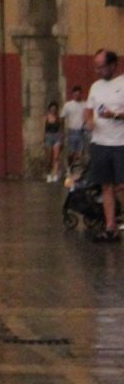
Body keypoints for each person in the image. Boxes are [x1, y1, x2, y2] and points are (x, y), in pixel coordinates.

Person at [85, 49, 124, 242]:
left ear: (112, 66)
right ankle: (111, 226)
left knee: (121, 186)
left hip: (120, 143)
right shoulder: (95, 87)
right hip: (100, 143)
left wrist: (115, 115)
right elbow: (88, 110)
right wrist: (89, 121)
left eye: (101, 67)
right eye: (96, 67)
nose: (98, 71)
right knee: (106, 186)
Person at [65, 85, 89, 176]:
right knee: (71, 153)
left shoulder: (85, 104)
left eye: (78, 94)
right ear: (72, 95)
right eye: (75, 94)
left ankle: (79, 171)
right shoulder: (68, 105)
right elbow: (63, 118)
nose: (77, 96)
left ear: (81, 94)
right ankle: (69, 167)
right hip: (72, 131)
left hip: (82, 131)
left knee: (80, 152)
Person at [43, 101, 64, 182]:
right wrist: (44, 139)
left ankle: (55, 174)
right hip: (48, 137)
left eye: (55, 109)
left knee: (56, 157)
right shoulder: (46, 118)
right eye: (52, 109)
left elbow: (61, 129)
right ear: (49, 109)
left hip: (57, 136)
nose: (53, 110)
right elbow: (44, 129)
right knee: (48, 157)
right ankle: (48, 174)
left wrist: (61, 139)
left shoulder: (58, 118)